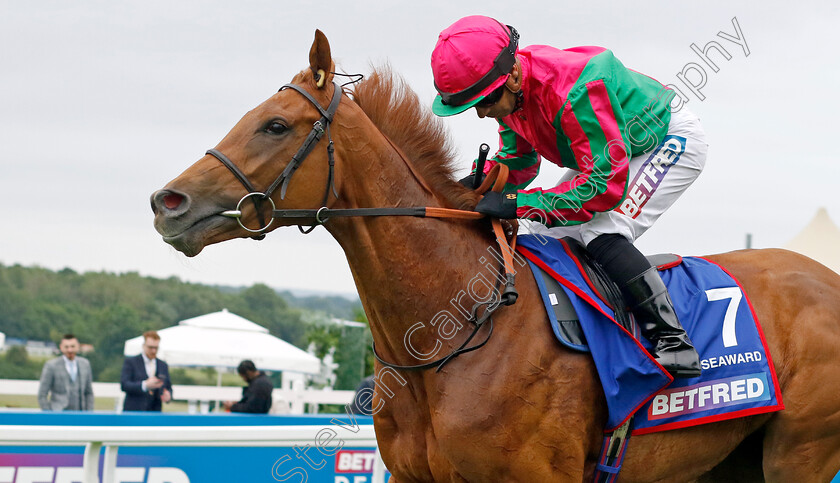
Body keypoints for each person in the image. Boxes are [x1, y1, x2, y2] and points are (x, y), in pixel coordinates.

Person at [430, 15, 708, 377]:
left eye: (486, 101)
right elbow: (520, 160)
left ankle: (673, 340)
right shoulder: (510, 95)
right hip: (605, 152)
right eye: (474, 105)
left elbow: (603, 188)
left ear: (513, 75)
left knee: (603, 229)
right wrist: (473, 186)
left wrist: (520, 204)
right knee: (536, 237)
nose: (483, 113)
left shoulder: (573, 90)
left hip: (663, 139)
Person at [37, 334, 94, 411]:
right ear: (61, 347)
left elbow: (89, 393)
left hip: (80, 414)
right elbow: (42, 394)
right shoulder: (51, 366)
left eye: (72, 346)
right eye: (66, 347)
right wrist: (49, 415)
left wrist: (89, 414)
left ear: (78, 346)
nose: (70, 350)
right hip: (58, 414)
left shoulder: (85, 364)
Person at [120, 330, 172, 411]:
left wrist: (168, 396)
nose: (153, 351)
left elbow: (168, 386)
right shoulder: (131, 362)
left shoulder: (163, 365)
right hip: (134, 411)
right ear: (143, 346)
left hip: (155, 412)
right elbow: (124, 385)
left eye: (156, 348)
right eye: (150, 347)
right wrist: (145, 385)